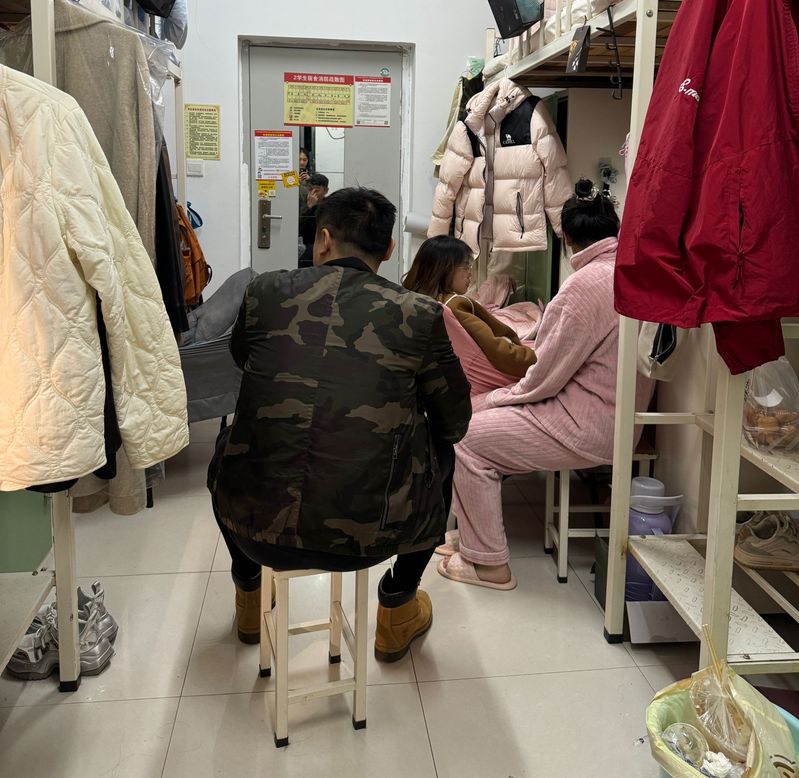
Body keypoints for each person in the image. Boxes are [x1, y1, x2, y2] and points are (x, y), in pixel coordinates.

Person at [208, 187, 471, 661]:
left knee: (227, 443)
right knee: (442, 451)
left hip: (253, 529)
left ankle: (249, 591)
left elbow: (243, 357)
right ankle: (398, 607)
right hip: (372, 537)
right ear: (389, 250)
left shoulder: (264, 292)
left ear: (323, 240)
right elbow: (454, 422)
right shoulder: (419, 313)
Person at [437, 178, 652, 592]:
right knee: (476, 417)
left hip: (589, 423)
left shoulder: (584, 286)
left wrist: (497, 398)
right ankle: (471, 536)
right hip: (617, 418)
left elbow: (543, 377)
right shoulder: (630, 272)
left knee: (467, 435)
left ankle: (489, 564)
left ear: (565, 237)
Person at [403, 236, 536, 394]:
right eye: (466, 267)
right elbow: (498, 350)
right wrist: (536, 359)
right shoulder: (455, 305)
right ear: (446, 269)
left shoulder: (414, 303)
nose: (470, 274)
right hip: (496, 374)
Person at [298, 172, 329, 267]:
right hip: (304, 245)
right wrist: (309, 207)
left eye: (317, 190)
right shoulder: (302, 202)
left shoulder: (329, 206)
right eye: (310, 189)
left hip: (322, 245)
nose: (312, 194)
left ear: (326, 191)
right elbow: (298, 228)